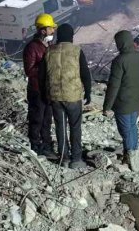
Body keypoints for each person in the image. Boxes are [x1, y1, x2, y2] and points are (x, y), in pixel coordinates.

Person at [41, 23, 92, 168]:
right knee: (75, 127)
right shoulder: (76, 51)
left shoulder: (49, 51)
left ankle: (64, 158)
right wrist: (88, 92)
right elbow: (85, 73)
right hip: (73, 96)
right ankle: (76, 159)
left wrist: (45, 94)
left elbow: (42, 76)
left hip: (55, 96)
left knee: (60, 127)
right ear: (71, 36)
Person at [103, 30, 139, 162]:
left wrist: (107, 106)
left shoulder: (119, 60)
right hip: (136, 99)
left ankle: (130, 158)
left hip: (123, 102)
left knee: (126, 130)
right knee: (132, 127)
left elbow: (114, 86)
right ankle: (134, 153)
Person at [23, 13, 56, 156]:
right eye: (50, 28)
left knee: (47, 120)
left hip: (47, 89)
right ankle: (35, 145)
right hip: (36, 90)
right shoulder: (32, 47)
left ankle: (47, 146)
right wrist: (46, 66)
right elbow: (29, 70)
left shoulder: (49, 45)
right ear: (43, 30)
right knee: (37, 119)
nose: (53, 30)